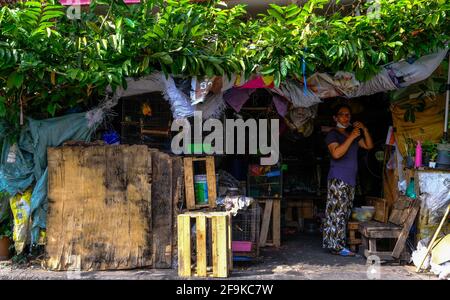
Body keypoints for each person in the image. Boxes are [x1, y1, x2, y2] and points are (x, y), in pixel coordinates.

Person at [322, 104, 374, 256]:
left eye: (348, 115)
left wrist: (364, 130)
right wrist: (351, 137)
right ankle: (337, 247)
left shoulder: (350, 135)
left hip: (350, 180)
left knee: (343, 213)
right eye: (342, 114)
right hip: (338, 179)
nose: (346, 117)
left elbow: (369, 145)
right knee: (336, 213)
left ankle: (336, 245)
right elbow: (336, 154)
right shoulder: (332, 134)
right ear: (335, 118)